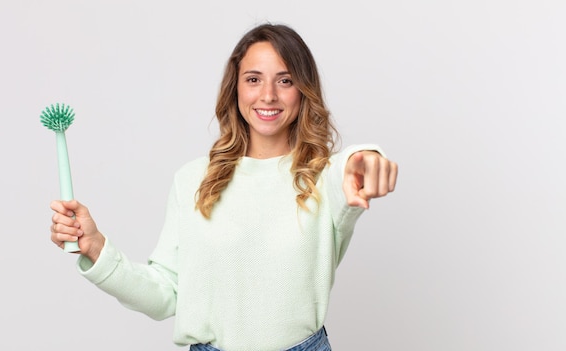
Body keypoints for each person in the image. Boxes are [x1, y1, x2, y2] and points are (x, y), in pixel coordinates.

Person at [49, 23, 398, 351]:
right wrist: (97, 249)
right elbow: (167, 294)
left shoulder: (324, 176)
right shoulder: (193, 180)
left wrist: (365, 158)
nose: (268, 95)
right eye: (253, 79)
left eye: (286, 80)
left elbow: (351, 167)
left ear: (303, 90)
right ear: (235, 88)